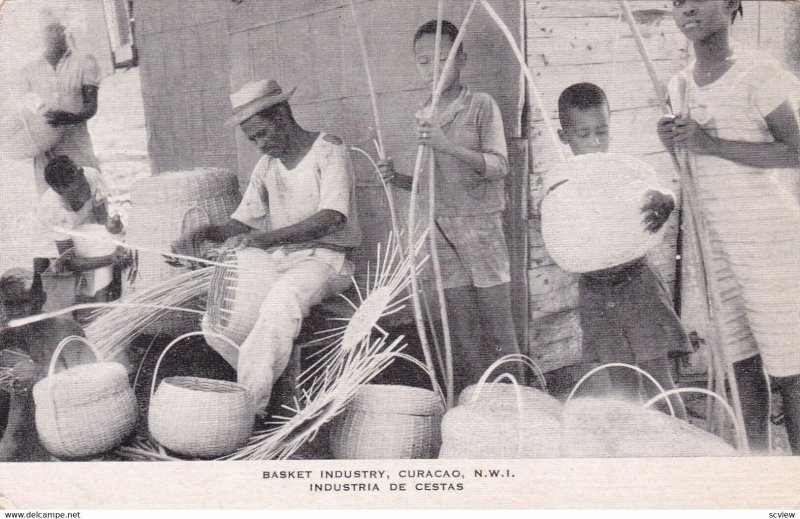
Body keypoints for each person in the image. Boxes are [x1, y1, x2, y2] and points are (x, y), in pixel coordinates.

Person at [658, 0, 800, 453]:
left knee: (789, 366)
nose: (686, 10)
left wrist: (710, 143)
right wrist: (674, 151)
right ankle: (756, 468)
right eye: (676, 3)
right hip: (715, 243)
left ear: (732, 3)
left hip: (769, 239)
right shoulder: (678, 86)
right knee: (740, 363)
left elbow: (796, 152)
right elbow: (695, 169)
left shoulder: (758, 74)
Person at [173, 79, 361, 414]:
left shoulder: (329, 150)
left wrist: (266, 239)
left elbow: (332, 218)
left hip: (327, 261)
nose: (259, 145)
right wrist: (204, 234)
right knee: (216, 321)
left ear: (283, 117)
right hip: (282, 260)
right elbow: (242, 222)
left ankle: (248, 411)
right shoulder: (267, 166)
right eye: (252, 139)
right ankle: (266, 383)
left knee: (279, 302)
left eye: (262, 134)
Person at [379, 20, 523, 395]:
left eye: (444, 59)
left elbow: (499, 166)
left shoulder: (479, 106)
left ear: (461, 60)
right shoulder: (422, 114)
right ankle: (477, 402)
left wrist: (447, 145)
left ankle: (519, 400)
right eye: (424, 62)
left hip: (480, 228)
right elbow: (430, 185)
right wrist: (396, 178)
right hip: (438, 229)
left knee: (498, 323)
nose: (434, 70)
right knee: (460, 326)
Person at [558, 82, 690, 420]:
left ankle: (683, 449)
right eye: (583, 134)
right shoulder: (561, 182)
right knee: (623, 386)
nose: (595, 143)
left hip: (637, 285)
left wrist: (669, 200)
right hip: (595, 292)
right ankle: (640, 457)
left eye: (602, 131)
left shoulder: (624, 168)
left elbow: (658, 188)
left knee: (659, 378)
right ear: (564, 136)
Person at [0, 268, 91, 461]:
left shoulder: (66, 330)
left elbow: (89, 381)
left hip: (61, 421)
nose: (16, 312)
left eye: (24, 303)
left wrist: (42, 373)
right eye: (9, 304)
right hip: (20, 420)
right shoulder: (7, 335)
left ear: (41, 299)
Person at [21, 15, 101, 195]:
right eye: (48, 30)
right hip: (44, 150)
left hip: (76, 145)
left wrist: (70, 118)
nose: (55, 34)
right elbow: (19, 105)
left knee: (88, 193)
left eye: (58, 29)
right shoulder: (30, 67)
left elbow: (91, 107)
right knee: (52, 202)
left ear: (65, 30)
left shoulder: (84, 61)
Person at [37, 155, 128, 309]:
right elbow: (68, 261)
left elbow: (101, 219)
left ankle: (109, 296)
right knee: (105, 248)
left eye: (82, 184)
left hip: (81, 232)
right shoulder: (54, 208)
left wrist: (114, 226)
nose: (84, 192)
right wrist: (110, 258)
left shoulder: (92, 175)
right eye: (75, 192)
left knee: (113, 239)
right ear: (59, 191)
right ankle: (102, 305)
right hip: (52, 248)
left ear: (80, 172)